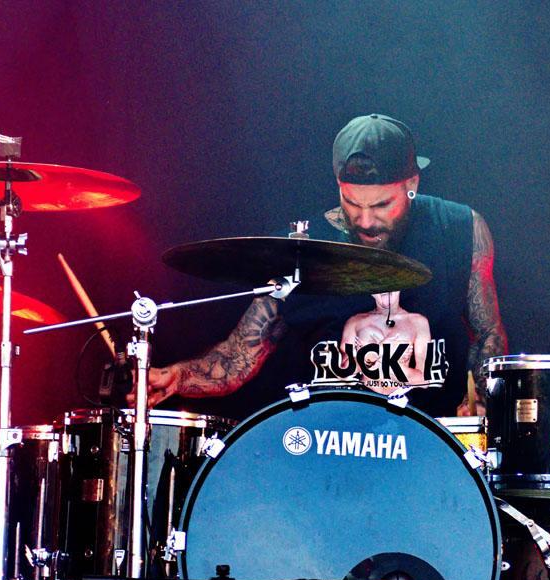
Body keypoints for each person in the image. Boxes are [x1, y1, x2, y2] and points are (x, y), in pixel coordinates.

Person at [148, 113, 507, 418]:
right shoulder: (298, 251)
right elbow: (237, 357)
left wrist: (480, 400)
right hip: (329, 445)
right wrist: (178, 376)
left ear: (411, 184)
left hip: (430, 445)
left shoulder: (459, 229)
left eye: (382, 205)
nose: (366, 221)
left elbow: (488, 334)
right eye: (352, 203)